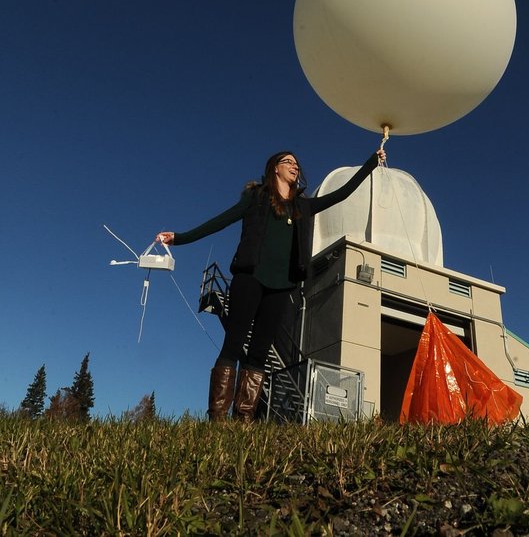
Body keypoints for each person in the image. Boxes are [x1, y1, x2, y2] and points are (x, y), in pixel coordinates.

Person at [156, 147, 385, 421]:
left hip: (283, 284)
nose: (294, 166)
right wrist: (180, 238)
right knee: (233, 344)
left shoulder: (303, 206)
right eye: (287, 162)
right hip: (250, 277)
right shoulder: (256, 197)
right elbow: (221, 220)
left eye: (297, 163)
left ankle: (243, 418)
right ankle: (218, 418)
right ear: (274, 168)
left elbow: (342, 194)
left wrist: (371, 163)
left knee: (259, 353)